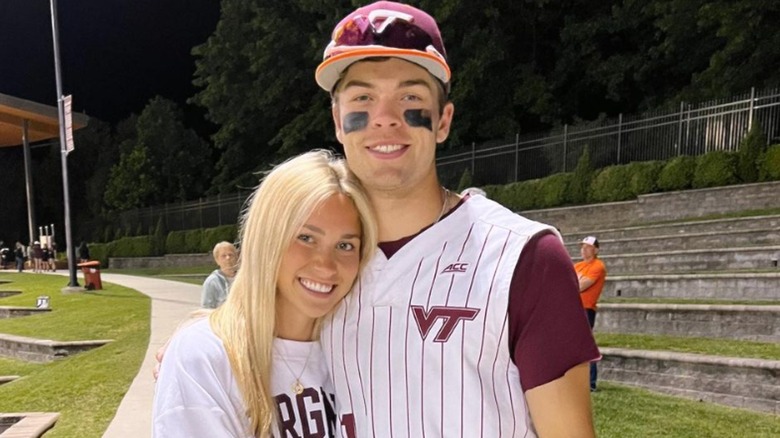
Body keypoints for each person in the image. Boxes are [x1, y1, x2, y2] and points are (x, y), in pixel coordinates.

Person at [314, 2, 599, 436]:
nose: (385, 117)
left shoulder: (525, 257)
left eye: (410, 96)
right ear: (338, 121)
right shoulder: (314, 266)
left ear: (443, 120)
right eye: (362, 98)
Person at [152, 150, 378, 437]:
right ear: (267, 238)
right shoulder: (204, 356)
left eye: (345, 245)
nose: (326, 266)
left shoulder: (360, 351)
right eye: (305, 238)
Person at [574, 235, 607, 392]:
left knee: (585, 345)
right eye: (582, 247)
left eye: (587, 247)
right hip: (573, 308)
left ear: (596, 250)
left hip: (586, 308)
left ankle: (590, 382)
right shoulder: (577, 266)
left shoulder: (598, 266)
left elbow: (581, 286)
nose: (584, 250)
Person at [200, 241, 238, 309]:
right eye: (224, 256)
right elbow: (206, 309)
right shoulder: (212, 282)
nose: (228, 258)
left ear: (236, 257)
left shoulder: (244, 279)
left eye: (231, 255)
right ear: (217, 260)